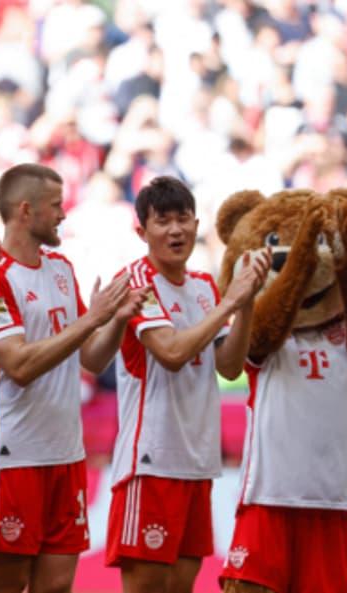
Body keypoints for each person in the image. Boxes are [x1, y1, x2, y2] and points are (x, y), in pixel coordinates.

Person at [0, 164, 146, 593]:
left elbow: (89, 356)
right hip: (13, 457)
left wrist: (116, 322)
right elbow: (19, 365)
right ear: (26, 211)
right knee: (5, 585)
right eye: (56, 205)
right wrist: (93, 321)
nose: (64, 214)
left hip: (66, 455)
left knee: (56, 586)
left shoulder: (62, 269)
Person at [104, 176, 269, 593]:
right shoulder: (138, 281)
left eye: (183, 220)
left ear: (197, 225)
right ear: (142, 230)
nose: (175, 230)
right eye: (163, 221)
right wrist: (230, 303)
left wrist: (245, 304)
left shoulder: (203, 287)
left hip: (196, 462)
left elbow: (229, 367)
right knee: (148, 586)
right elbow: (172, 353)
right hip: (151, 460)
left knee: (181, 585)